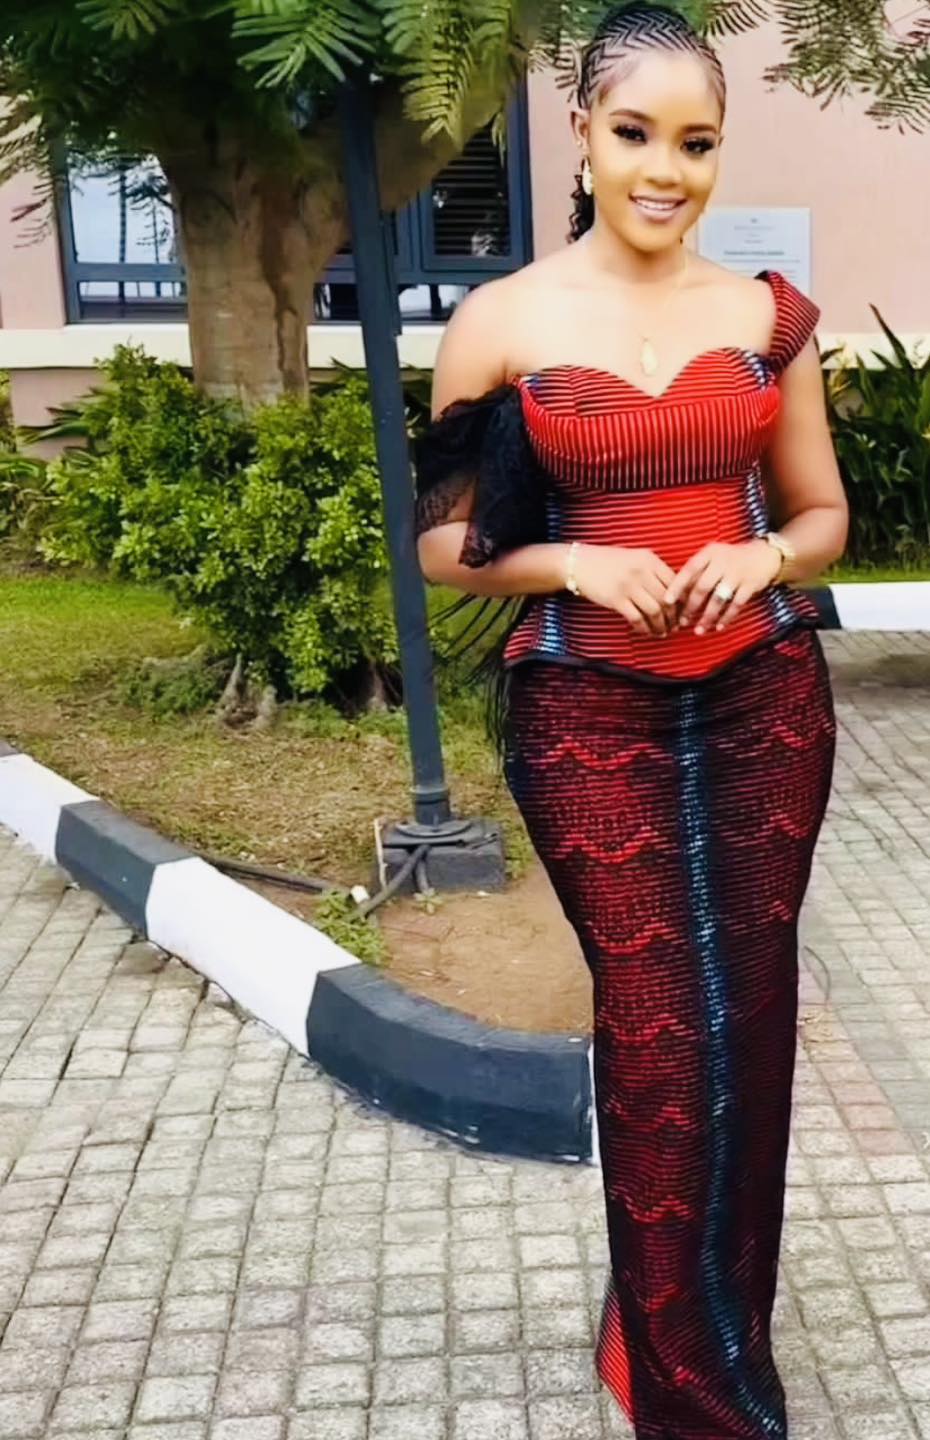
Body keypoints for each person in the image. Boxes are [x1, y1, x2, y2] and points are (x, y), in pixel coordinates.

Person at [413, 5, 848, 1436]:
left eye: (697, 142)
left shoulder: (770, 316)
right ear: (582, 136)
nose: (667, 168)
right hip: (586, 709)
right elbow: (443, 543)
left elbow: (822, 515)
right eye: (636, 133)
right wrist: (576, 561)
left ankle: (686, 1332)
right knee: (662, 1030)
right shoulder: (501, 321)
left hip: (763, 696)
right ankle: (694, 1397)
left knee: (751, 1021)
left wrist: (763, 554)